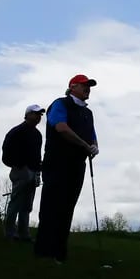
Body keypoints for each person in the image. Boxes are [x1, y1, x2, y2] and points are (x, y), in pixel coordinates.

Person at [34, 74, 99, 264]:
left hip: (77, 165)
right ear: (72, 87)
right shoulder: (60, 104)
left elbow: (92, 136)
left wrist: (94, 146)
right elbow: (61, 127)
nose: (88, 89)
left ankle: (59, 253)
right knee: (51, 207)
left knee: (67, 208)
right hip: (57, 162)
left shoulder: (88, 113)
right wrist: (85, 146)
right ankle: (44, 251)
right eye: (84, 85)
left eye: (89, 86)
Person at [1, 104, 45, 242]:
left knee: (27, 205)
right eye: (36, 114)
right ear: (28, 115)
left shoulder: (37, 134)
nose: (38, 117)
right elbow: (6, 154)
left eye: (40, 115)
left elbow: (37, 156)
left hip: (33, 172)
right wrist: (19, 165)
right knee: (16, 203)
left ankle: (23, 234)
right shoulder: (17, 132)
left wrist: (38, 171)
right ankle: (10, 233)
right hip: (20, 171)